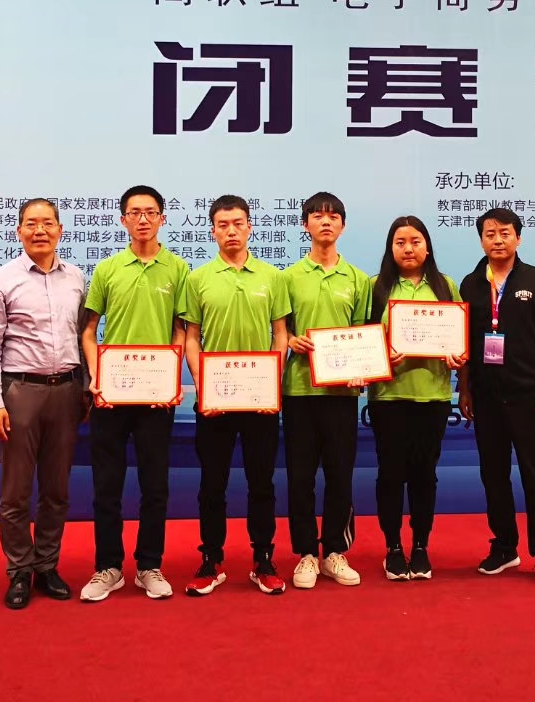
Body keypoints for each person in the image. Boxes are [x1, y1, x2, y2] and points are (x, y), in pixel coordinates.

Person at [78, 186, 188, 603]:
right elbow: (89, 331)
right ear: (123, 219)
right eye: (135, 213)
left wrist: (171, 379)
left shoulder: (178, 269)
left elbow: (180, 331)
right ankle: (108, 567)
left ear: (162, 218)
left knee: (154, 485)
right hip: (111, 395)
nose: (143, 219)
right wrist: (96, 375)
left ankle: (148, 566)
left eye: (151, 212)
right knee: (107, 485)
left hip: (156, 398)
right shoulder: (108, 269)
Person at [0, 197, 86, 609]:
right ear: (19, 231)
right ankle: (19, 570)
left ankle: (47, 565)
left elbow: (83, 338)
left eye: (47, 223)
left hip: (67, 392)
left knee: (57, 490)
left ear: (60, 230)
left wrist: (86, 389)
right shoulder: (1, 280)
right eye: (31, 223)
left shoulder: (76, 278)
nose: (40, 230)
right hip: (20, 392)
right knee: (16, 492)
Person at [182, 195, 291, 596]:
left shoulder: (273, 277)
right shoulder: (197, 279)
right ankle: (211, 559)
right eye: (223, 224)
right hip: (216, 399)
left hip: (261, 399)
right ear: (213, 231)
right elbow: (192, 338)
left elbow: (281, 335)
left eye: (238, 223)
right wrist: (203, 385)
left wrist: (272, 382)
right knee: (212, 484)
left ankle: (263, 559)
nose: (231, 231)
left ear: (249, 227)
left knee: (262, 483)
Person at [458, 207, 535, 590]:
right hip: (486, 399)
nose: (498, 240)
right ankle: (505, 547)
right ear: (481, 240)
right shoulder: (471, 285)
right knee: (494, 477)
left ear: (518, 238)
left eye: (505, 233)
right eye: (490, 234)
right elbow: (465, 343)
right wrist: (465, 388)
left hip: (528, 397)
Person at [281, 192, 372, 590]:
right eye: (317, 216)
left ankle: (335, 551)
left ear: (343, 226)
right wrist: (291, 340)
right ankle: (305, 554)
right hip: (299, 390)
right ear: (305, 224)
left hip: (341, 396)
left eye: (333, 216)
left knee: (340, 474)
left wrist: (361, 370)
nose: (325, 222)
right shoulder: (287, 277)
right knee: (300, 476)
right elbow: (279, 331)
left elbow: (364, 334)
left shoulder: (357, 279)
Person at [367, 216, 466, 581]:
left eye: (415, 241)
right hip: (388, 398)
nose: (408, 249)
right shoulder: (375, 287)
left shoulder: (446, 286)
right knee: (390, 474)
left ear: (427, 246)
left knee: (425, 475)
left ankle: (421, 546)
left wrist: (459, 358)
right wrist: (380, 355)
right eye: (400, 242)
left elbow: (461, 339)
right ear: (390, 248)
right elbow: (361, 339)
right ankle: (393, 547)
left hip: (433, 397)